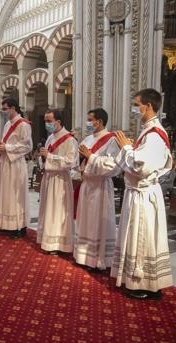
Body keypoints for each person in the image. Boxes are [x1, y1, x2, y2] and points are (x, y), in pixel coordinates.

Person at [111, 88, 173, 300]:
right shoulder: (147, 131)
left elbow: (141, 168)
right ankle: (141, 281)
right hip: (138, 193)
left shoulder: (155, 134)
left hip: (144, 195)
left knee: (143, 237)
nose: (134, 109)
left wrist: (126, 148)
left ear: (147, 106)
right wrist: (127, 149)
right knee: (140, 236)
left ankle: (143, 283)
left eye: (136, 104)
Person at [75, 108, 120, 271]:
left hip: (100, 187)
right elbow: (79, 160)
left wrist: (90, 156)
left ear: (99, 121)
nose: (88, 123)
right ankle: (83, 255)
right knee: (85, 220)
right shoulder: (87, 139)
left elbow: (112, 167)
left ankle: (97, 260)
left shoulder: (111, 140)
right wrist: (80, 163)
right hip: (87, 185)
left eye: (90, 119)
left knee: (96, 222)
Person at [36, 110, 78, 254]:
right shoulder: (50, 138)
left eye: (49, 121)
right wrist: (42, 158)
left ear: (58, 121)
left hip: (60, 181)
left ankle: (59, 244)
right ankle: (47, 240)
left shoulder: (70, 140)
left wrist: (50, 156)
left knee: (58, 211)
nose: (47, 124)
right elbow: (46, 156)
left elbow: (70, 162)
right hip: (49, 178)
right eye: (45, 121)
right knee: (48, 210)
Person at [0, 98, 33, 239]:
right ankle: (6, 224)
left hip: (15, 164)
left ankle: (18, 227)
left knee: (15, 194)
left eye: (5, 109)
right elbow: (6, 142)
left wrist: (7, 147)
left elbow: (28, 146)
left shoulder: (23, 124)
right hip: (5, 162)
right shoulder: (8, 124)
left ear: (13, 108)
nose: (3, 112)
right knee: (5, 194)